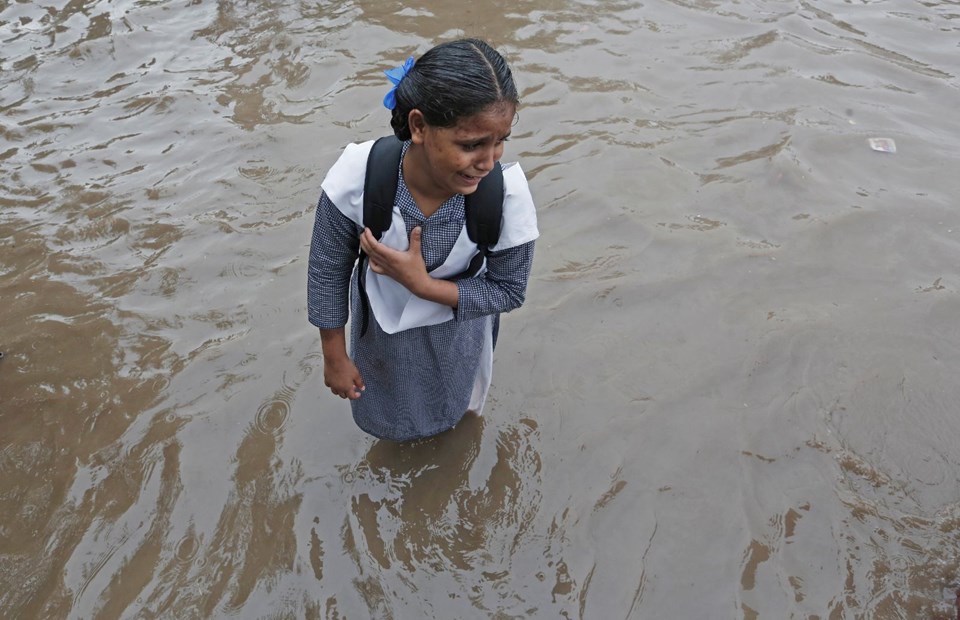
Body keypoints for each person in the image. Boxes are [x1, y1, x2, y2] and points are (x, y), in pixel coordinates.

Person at [307, 39, 538, 442]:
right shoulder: (357, 177)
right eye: (470, 145)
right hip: (379, 332)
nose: (488, 161)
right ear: (418, 126)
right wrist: (334, 355)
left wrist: (424, 286)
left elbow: (509, 291)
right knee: (386, 416)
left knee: (453, 416)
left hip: (458, 332)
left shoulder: (507, 197)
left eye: (500, 140)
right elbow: (327, 269)